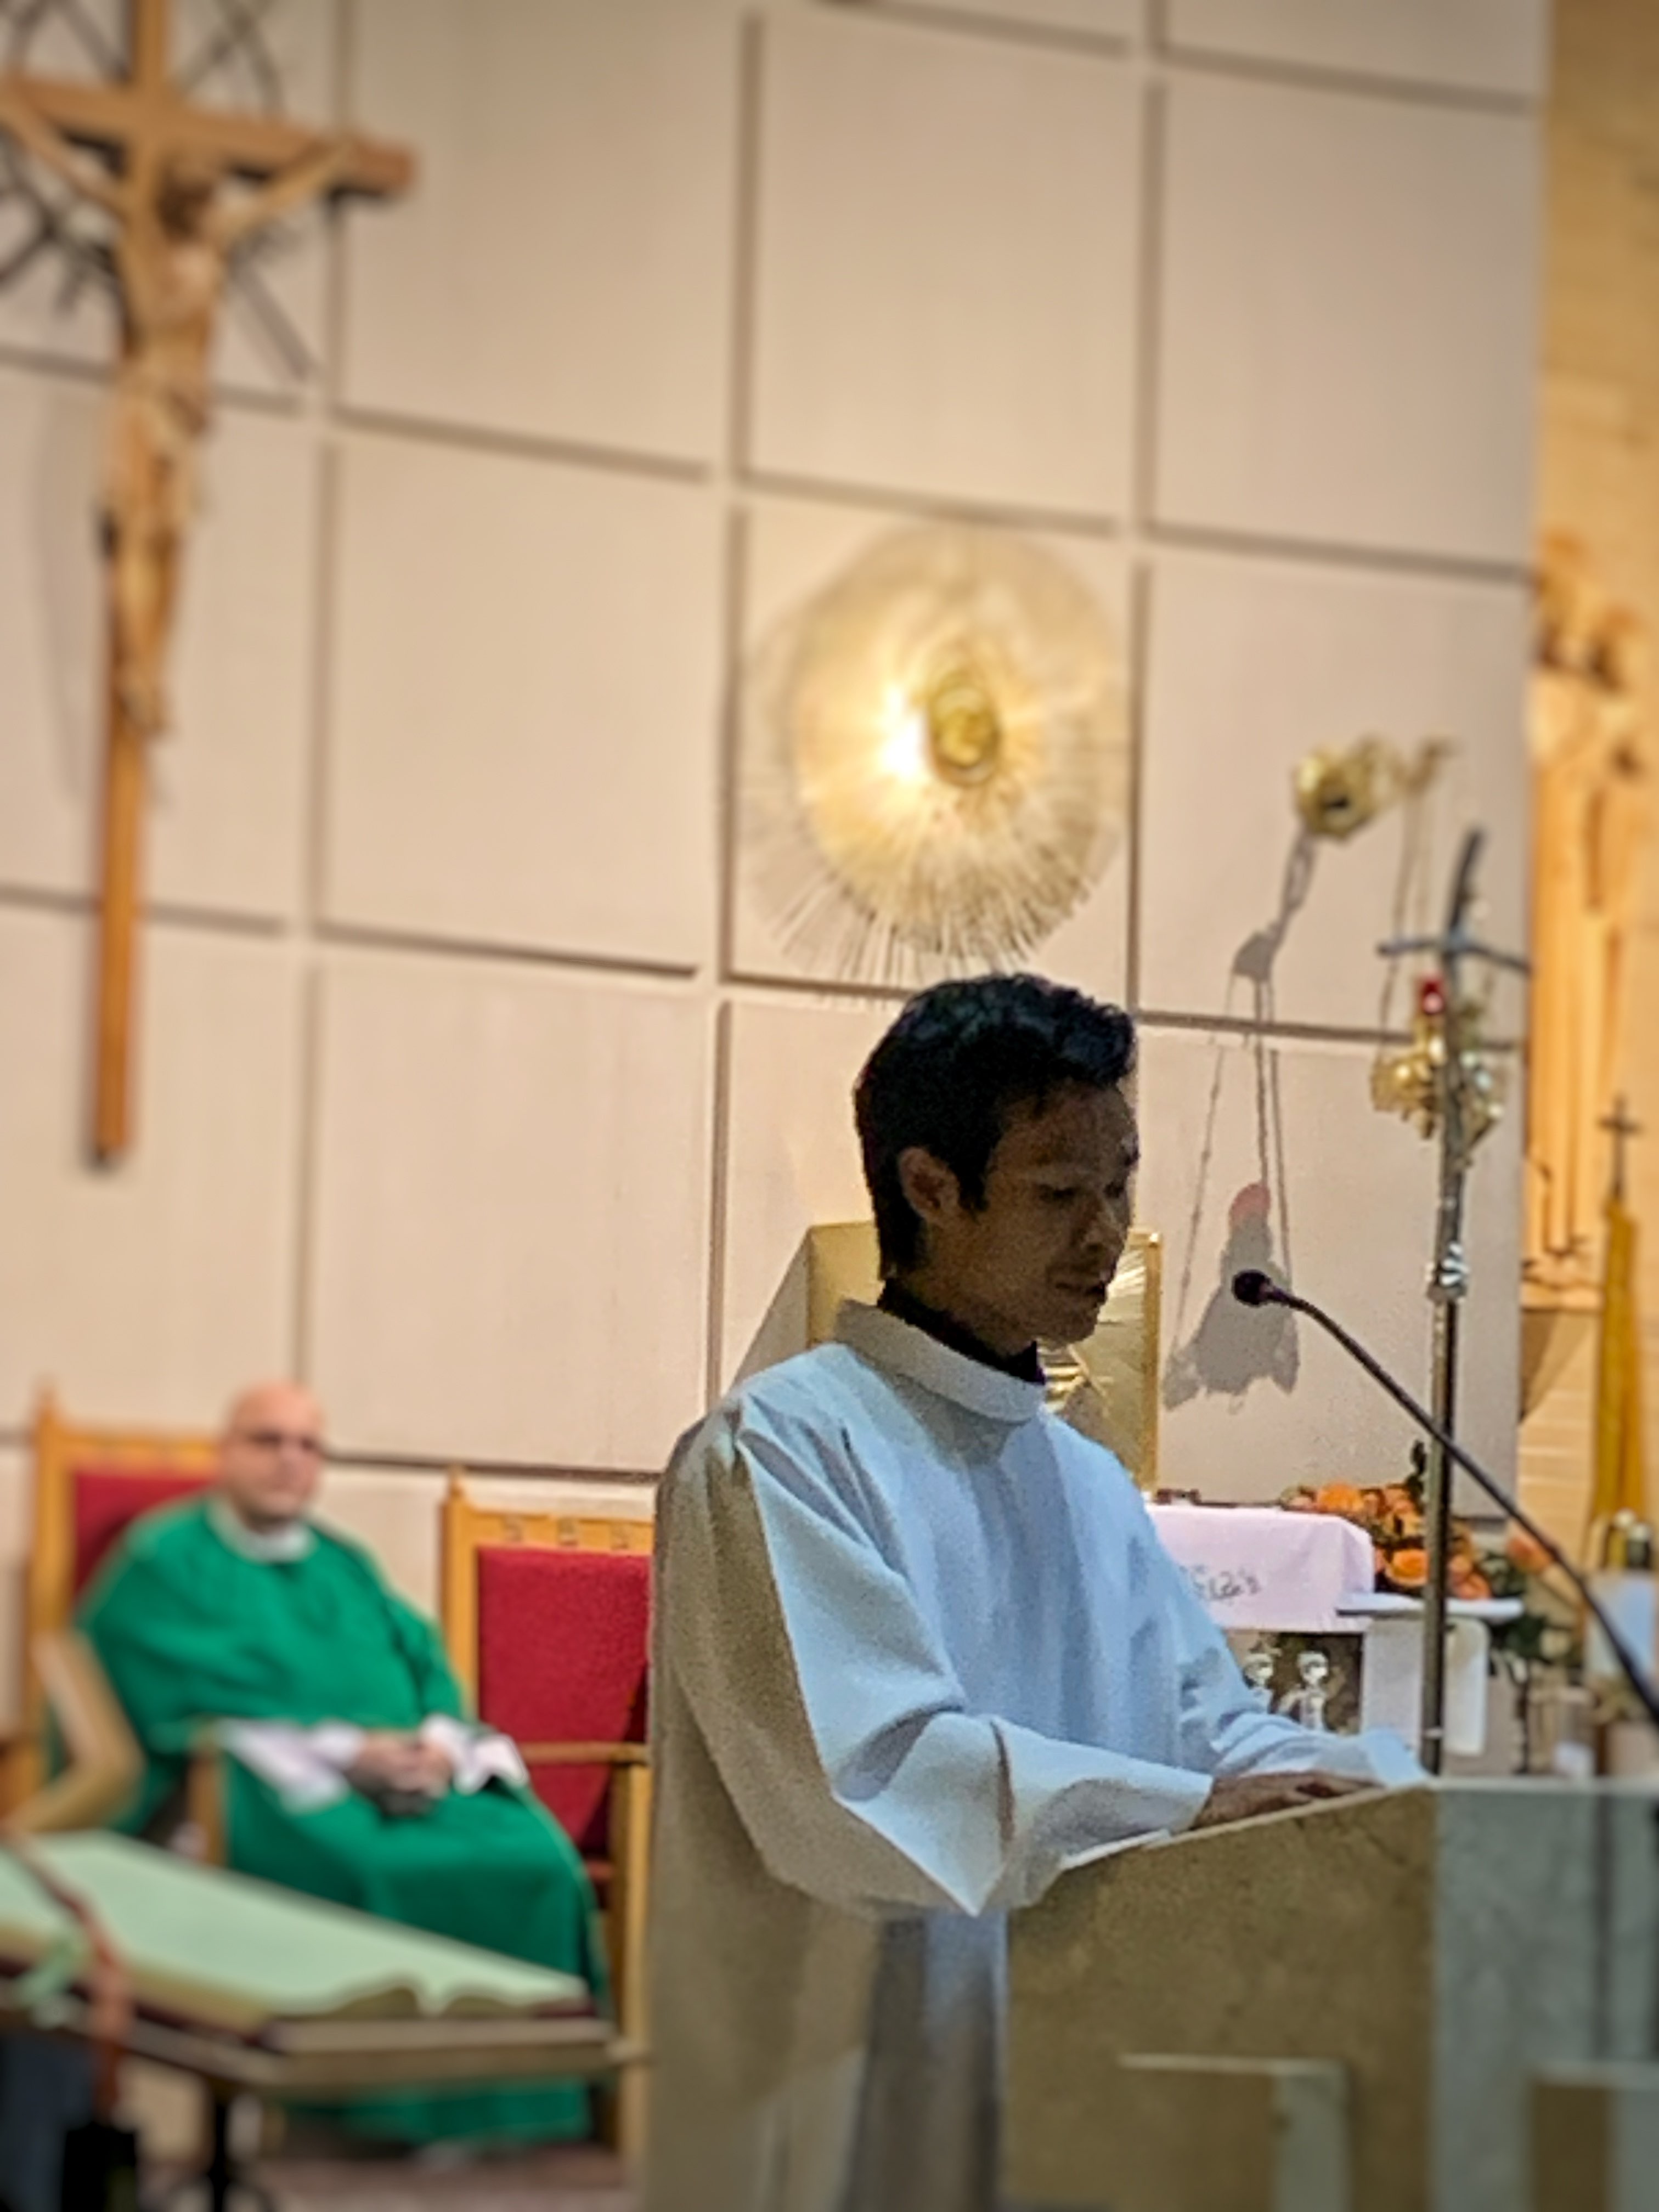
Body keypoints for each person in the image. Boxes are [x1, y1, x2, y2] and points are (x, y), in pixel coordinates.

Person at [647, 973, 1420, 2212]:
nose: (1107, 1234)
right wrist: (1184, 1805)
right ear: (930, 1188)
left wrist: (1397, 1795)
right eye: (1061, 1192)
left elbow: (1208, 1737)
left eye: (1120, 1183)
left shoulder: (1084, 1479)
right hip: (844, 2065)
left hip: (1073, 2057)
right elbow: (868, 1785)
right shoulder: (780, 1451)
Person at [77, 1381, 604, 2147]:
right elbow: (165, 1688)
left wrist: (434, 1745)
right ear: (225, 1451)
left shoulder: (342, 1562)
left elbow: (423, 1661)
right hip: (270, 1786)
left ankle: (521, 2115)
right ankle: (371, 2118)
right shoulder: (166, 1559)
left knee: (538, 1862)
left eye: (308, 1445)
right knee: (368, 1871)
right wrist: (347, 1754)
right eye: (267, 1440)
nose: (290, 1461)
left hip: (405, 1780)